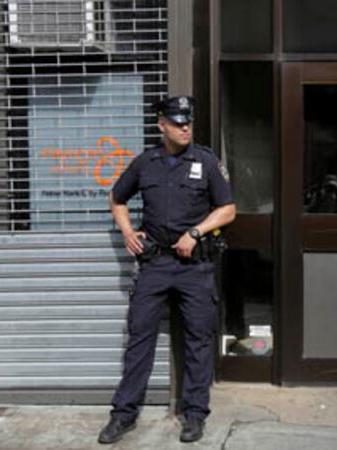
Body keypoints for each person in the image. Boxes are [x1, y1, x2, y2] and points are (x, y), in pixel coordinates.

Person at [98, 96, 236, 445]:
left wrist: (195, 233)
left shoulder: (206, 161)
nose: (185, 127)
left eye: (188, 122)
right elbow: (117, 199)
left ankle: (195, 415)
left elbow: (228, 210)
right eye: (177, 123)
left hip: (195, 267)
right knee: (139, 338)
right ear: (162, 125)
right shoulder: (146, 163)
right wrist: (128, 233)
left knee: (198, 341)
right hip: (155, 265)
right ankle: (123, 414)